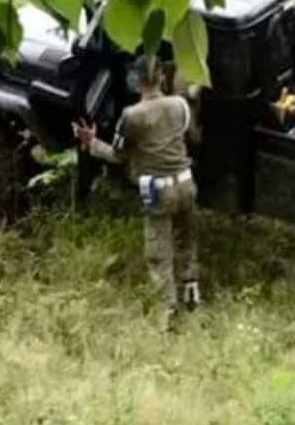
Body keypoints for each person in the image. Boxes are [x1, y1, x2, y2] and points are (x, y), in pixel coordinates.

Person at [73, 56, 200, 332]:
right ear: (162, 78)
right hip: (186, 184)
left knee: (159, 254)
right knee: (186, 244)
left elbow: (118, 155)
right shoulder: (180, 106)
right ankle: (192, 300)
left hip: (158, 190)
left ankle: (168, 315)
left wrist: (91, 142)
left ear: (137, 81)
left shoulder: (132, 116)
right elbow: (193, 138)